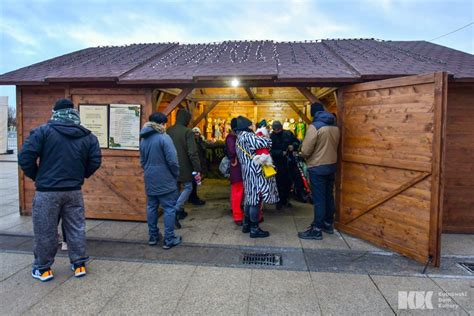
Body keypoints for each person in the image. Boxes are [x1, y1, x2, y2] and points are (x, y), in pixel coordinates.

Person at [18, 98, 101, 282]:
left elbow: (25, 157)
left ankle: (43, 268)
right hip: (73, 191)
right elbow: (95, 161)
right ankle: (79, 264)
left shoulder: (43, 132)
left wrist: (37, 176)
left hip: (47, 191)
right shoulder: (88, 136)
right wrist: (80, 175)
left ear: (55, 112)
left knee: (45, 230)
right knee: (76, 228)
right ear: (74, 112)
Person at [298, 102, 340, 240]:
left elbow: (305, 150)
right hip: (331, 165)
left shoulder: (315, 127)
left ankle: (316, 229)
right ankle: (328, 223)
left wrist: (302, 155)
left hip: (317, 167)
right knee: (329, 196)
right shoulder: (334, 125)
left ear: (312, 113)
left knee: (319, 199)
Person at [140, 112, 182, 249]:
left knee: (151, 206)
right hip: (165, 178)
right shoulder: (164, 138)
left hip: (150, 177)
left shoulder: (144, 139)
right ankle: (169, 239)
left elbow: (142, 161)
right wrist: (175, 174)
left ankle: (153, 236)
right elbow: (173, 161)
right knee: (169, 208)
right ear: (163, 124)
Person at [235, 116, 279, 238]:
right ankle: (254, 228)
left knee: (250, 198)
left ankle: (246, 225)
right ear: (247, 126)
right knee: (255, 200)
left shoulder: (239, 137)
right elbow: (264, 143)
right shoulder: (247, 136)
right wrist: (267, 138)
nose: (253, 126)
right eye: (251, 125)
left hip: (247, 171)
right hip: (255, 172)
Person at [167, 109, 201, 223]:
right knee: (188, 187)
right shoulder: (188, 132)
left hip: (171, 165)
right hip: (185, 165)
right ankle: (176, 209)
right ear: (186, 119)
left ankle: (179, 210)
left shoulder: (169, 130)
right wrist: (197, 167)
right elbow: (192, 152)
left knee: (176, 187)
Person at [270, 120, 299, 209]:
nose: (277, 131)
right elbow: (269, 151)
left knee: (288, 182)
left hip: (289, 163)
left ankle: (285, 200)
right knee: (278, 183)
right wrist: (279, 153)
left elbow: (297, 142)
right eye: (275, 129)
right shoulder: (271, 137)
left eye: (279, 129)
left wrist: (293, 146)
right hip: (277, 163)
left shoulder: (288, 133)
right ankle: (278, 201)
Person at [225, 118, 244, 225]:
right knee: (237, 192)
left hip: (238, 168)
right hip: (236, 168)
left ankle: (238, 213)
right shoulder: (231, 138)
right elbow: (232, 151)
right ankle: (237, 216)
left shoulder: (234, 137)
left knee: (238, 192)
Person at [188, 127, 207, 206]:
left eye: (197, 133)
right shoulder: (191, 142)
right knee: (193, 182)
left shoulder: (200, 142)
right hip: (193, 165)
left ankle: (193, 196)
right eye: (194, 133)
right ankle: (193, 198)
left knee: (196, 182)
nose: (196, 135)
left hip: (199, 164)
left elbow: (204, 149)